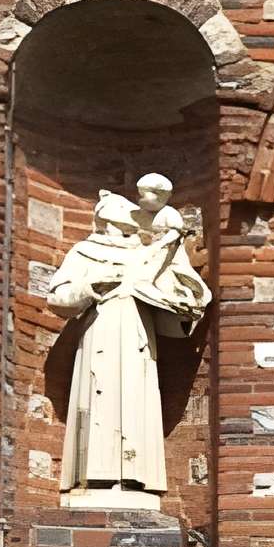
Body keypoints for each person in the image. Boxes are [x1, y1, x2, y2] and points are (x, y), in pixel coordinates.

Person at [46, 174, 212, 507]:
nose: (129, 230)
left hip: (137, 339)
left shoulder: (148, 254)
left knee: (135, 399)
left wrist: (172, 281)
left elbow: (181, 296)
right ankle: (90, 476)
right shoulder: (85, 251)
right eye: (121, 223)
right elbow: (58, 299)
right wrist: (92, 285)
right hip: (99, 335)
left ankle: (139, 479)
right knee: (97, 398)